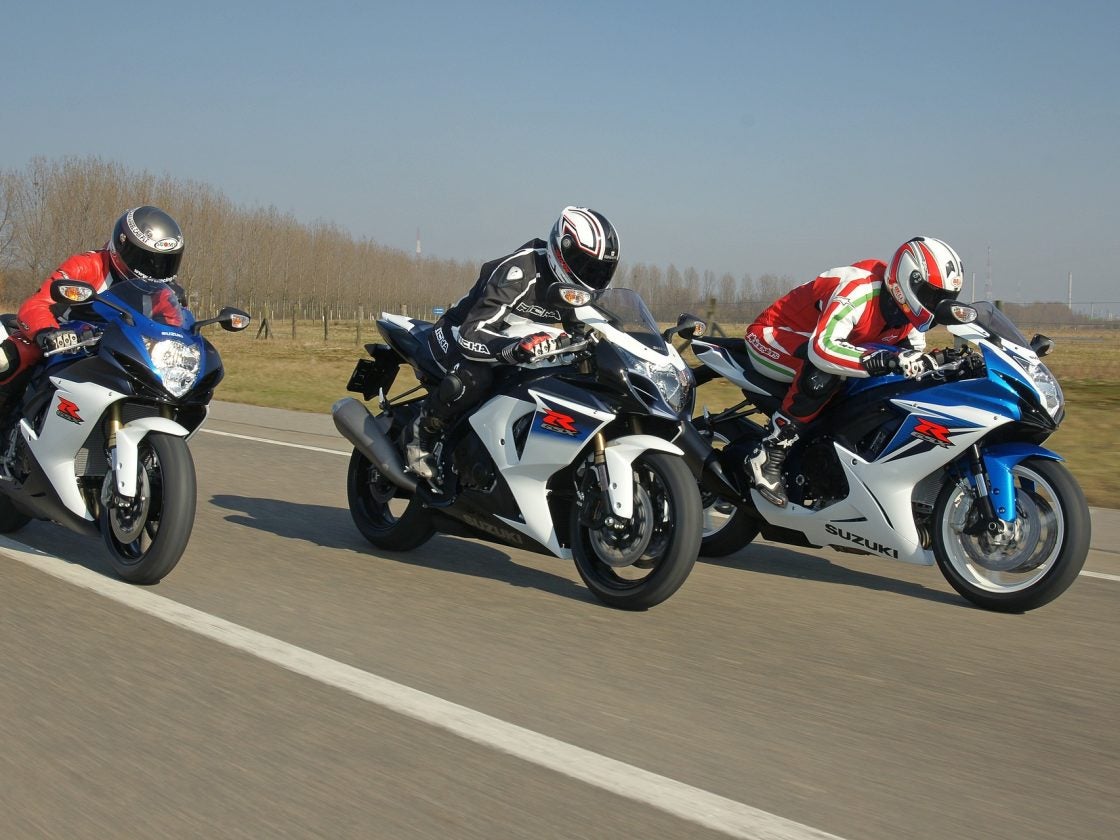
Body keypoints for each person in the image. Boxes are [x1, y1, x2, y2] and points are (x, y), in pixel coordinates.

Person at [405, 206, 621, 486]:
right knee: (475, 378)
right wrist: (512, 349)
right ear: (562, 250)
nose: (592, 276)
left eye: (600, 270)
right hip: (458, 333)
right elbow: (472, 333)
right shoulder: (520, 272)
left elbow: (585, 330)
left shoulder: (576, 289)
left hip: (512, 341)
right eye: (586, 266)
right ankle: (420, 434)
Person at [742, 236, 964, 506]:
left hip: (819, 343)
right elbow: (823, 348)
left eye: (944, 299)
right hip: (773, 335)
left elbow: (911, 362)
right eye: (932, 295)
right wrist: (882, 359)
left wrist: (939, 361)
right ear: (909, 278)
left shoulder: (910, 318)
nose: (935, 304)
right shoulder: (860, 287)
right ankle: (769, 452)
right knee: (826, 371)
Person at [0, 206, 185, 409]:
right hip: (64, 342)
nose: (156, 271)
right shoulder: (87, 265)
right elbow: (36, 304)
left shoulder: (162, 293)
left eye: (165, 263)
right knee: (10, 358)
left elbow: (174, 326)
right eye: (147, 261)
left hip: (122, 351)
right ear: (123, 246)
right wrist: (47, 333)